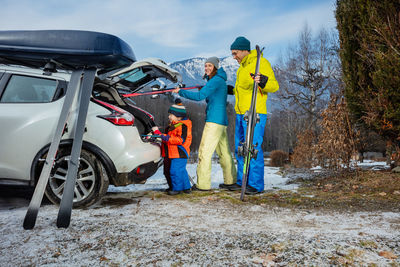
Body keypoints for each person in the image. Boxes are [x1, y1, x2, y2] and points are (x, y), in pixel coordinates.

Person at [173, 57, 237, 191]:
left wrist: (181, 92)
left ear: (215, 67)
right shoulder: (218, 80)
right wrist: (205, 87)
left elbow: (199, 97)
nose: (207, 68)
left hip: (213, 121)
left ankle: (202, 185)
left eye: (209, 65)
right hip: (221, 122)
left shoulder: (216, 81)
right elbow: (210, 94)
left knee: (204, 152)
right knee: (224, 152)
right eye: (205, 66)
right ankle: (230, 182)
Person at [227, 36, 279, 195]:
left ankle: (255, 184)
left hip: (254, 113)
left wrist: (264, 81)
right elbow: (244, 89)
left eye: (235, 53)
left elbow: (274, 86)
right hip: (241, 113)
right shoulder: (241, 67)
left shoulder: (260, 63)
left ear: (244, 50)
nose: (234, 57)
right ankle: (242, 181)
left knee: (252, 148)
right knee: (241, 149)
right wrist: (231, 90)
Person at [153, 99, 193, 195]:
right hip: (170, 153)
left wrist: (165, 137)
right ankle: (186, 187)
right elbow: (167, 138)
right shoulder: (172, 125)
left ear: (178, 116)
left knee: (175, 171)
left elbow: (180, 140)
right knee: (176, 171)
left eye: (171, 115)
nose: (169, 116)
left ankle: (177, 189)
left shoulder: (183, 126)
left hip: (180, 152)